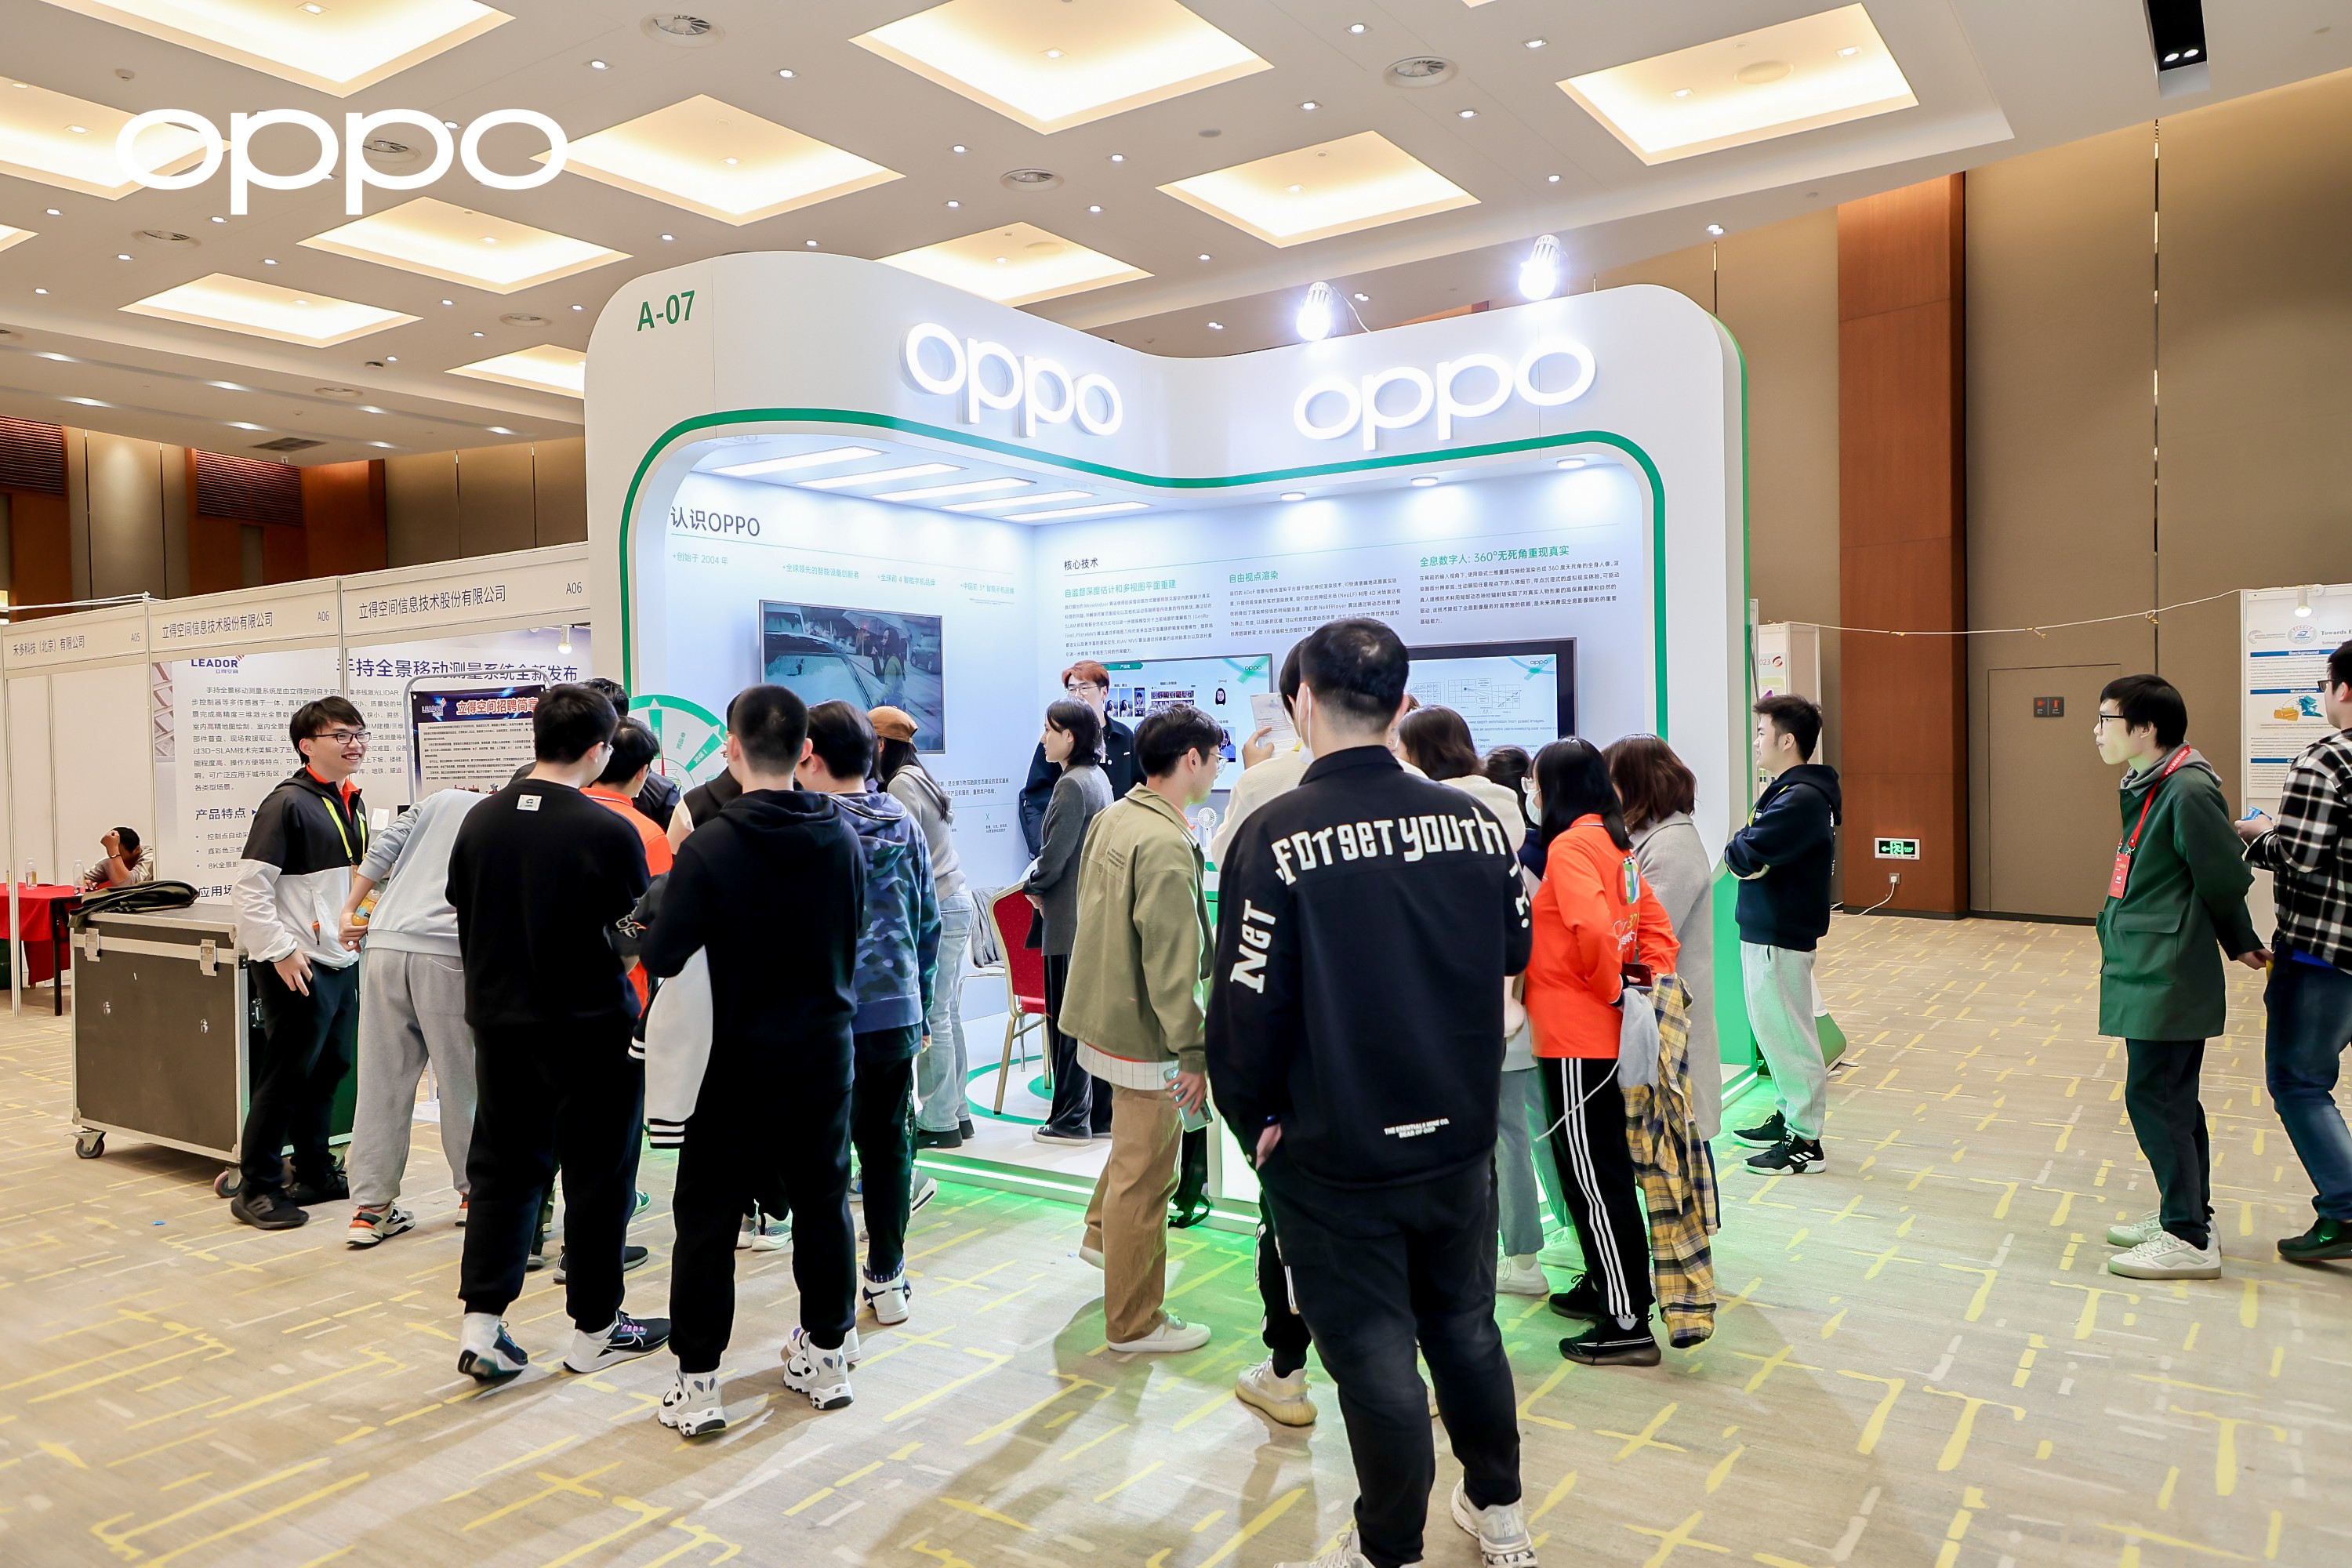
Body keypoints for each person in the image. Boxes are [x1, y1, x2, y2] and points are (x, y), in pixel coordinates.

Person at [1207, 618, 1537, 1568]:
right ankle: (1499, 1507)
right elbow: (1513, 946)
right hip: (1459, 1136)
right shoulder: (1477, 823)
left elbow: (1244, 1007)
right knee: (1466, 1330)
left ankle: (1389, 1546)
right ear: (1401, 704)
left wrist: (1256, 1121)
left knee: (1376, 1357)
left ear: (1303, 702)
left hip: (1335, 1147)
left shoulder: (1273, 833)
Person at [641, 684, 868, 1432]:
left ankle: (699, 1385)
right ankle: (828, 1358)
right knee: (824, 1205)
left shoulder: (710, 846)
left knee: (708, 1219)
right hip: (824, 1052)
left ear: (732, 748)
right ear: (805, 751)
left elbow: (664, 953)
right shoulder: (841, 837)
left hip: (731, 1063)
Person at [446, 684, 666, 1381]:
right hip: (591, 1030)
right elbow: (629, 935)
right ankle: (595, 1329)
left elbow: (465, 911)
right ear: (601, 750)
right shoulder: (607, 831)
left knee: (503, 1171)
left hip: (499, 1025)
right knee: (600, 1177)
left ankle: (483, 1325)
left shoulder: (480, 820)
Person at [1059, 705, 1222, 1355]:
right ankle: (1134, 1322)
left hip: (1103, 1014)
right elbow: (1172, 965)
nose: (1217, 770)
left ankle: (1103, 1235)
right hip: (1145, 1032)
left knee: (1132, 1154)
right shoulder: (1164, 843)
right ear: (1191, 759)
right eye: (1215, 758)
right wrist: (1195, 1052)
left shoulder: (1118, 816)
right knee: (1147, 1176)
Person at [2092, 674, 2263, 1281]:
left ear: (2146, 729)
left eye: (2107, 719)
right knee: (2171, 1098)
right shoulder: (2150, 783)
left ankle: (2188, 1236)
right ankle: (2186, 1213)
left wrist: (2240, 939)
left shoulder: (2186, 788)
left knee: (2157, 1097)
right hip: (2149, 960)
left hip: (2166, 968)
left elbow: (2222, 876)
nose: (2097, 731)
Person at [1523, 738, 1679, 1366]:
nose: (1531, 796)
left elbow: (1591, 927)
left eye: (1536, 785)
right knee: (1604, 1173)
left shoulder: (1569, 847)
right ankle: (1606, 1285)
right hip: (1602, 1033)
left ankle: (1626, 1321)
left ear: (1556, 789)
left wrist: (1612, 988)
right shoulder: (1614, 845)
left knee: (1592, 1180)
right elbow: (1655, 929)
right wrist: (1640, 988)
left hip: (1574, 1038)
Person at [798, 702, 942, 1332]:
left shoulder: (809, 823)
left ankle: (829, 1319)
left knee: (823, 1161)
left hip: (826, 1021)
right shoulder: (902, 820)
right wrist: (922, 1005)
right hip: (896, 1013)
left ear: (810, 754)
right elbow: (928, 921)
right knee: (888, 1151)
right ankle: (887, 1276)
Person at [1399, 706, 1546, 1298]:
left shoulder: (1436, 819)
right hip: (1514, 1005)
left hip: (1465, 1011)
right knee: (1524, 1129)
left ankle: (1523, 1259)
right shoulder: (1504, 815)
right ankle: (1544, 1249)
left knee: (1501, 1137)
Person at [225, 698, 371, 1229]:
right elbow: (250, 888)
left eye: (359, 733)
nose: (354, 743)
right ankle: (258, 1186)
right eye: (341, 735)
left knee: (329, 1070)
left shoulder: (349, 800)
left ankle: (315, 1170)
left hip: (338, 957)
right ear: (307, 745)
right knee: (286, 1075)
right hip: (295, 961)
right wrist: (281, 950)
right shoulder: (287, 803)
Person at [2238, 639, 2352, 1264]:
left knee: (2300, 1083)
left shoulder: (2327, 759)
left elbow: (2298, 857)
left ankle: (2346, 1209)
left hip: (2323, 956)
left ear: (2344, 688)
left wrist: (2259, 835)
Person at [336, 786, 485, 1247]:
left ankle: (370, 1210)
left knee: (381, 1080)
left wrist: (349, 909)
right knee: (463, 1080)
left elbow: (383, 848)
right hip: (447, 950)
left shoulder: (440, 800)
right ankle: (474, 1195)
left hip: (384, 942)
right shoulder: (508, 815)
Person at [1722, 695, 1842, 1175]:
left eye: (1761, 733)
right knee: (1775, 1031)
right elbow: (1748, 851)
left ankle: (1805, 1141)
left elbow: (1743, 853)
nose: (1756, 742)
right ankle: (1791, 1115)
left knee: (1789, 1034)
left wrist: (1743, 853)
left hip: (1779, 932)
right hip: (1769, 929)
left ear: (1787, 740)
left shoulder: (1801, 799)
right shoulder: (1789, 792)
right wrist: (1745, 853)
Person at [1607, 735, 1724, 1140]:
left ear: (1633, 784)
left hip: (1668, 1009)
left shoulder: (1669, 846)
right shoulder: (1654, 838)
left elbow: (1648, 934)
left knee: (1682, 1142)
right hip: (1661, 1008)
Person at [874, 706, 976, 1150]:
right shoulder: (920, 777)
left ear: (881, 744)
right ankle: (957, 1112)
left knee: (934, 1016)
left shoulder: (900, 785)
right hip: (956, 902)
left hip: (939, 905)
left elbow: (905, 855)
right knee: (948, 1012)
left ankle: (939, 1121)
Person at [1024, 699, 1116, 1144]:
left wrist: (1033, 886)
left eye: (1049, 729)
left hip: (1067, 920)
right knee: (1089, 1023)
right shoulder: (1097, 778)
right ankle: (1100, 1116)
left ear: (1070, 737)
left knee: (1067, 1022)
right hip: (1090, 917)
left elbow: (1054, 857)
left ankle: (1069, 1120)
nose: (1043, 738)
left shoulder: (1071, 785)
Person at [586, 718, 674, 1013]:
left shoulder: (556, 814)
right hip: (621, 991)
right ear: (642, 772)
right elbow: (647, 920)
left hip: (548, 983)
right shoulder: (647, 834)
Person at [1019, 661, 1139, 855]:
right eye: (1072, 689)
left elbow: (1139, 785)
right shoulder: (1058, 739)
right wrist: (1067, 815)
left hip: (1120, 838)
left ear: (1104, 692)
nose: (1077, 695)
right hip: (1076, 843)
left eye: (1084, 688)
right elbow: (1037, 790)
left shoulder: (1124, 736)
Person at [82, 826, 156, 889]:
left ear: (137, 850)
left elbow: (128, 886)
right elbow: (82, 878)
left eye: (118, 852)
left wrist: (114, 851)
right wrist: (84, 882)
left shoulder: (150, 858)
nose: (113, 854)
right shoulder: (111, 858)